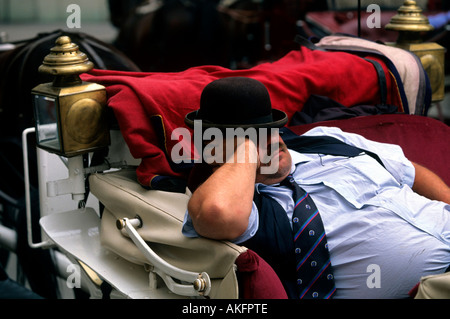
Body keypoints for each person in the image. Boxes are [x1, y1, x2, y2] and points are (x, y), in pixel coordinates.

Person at [182, 76, 450, 299]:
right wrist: (246, 151)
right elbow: (216, 214)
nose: (273, 140)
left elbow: (409, 172)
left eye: (271, 128)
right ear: (219, 152)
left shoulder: (327, 140)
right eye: (253, 135)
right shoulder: (248, 205)